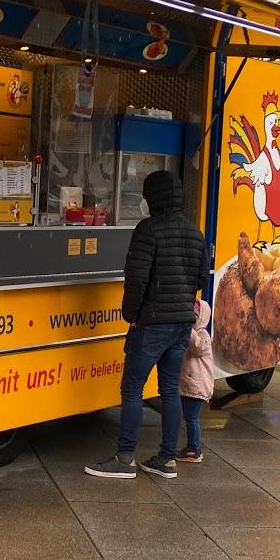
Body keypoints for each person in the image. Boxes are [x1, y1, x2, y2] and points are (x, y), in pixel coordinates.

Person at [85, 169, 208, 480]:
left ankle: (125, 458)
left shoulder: (148, 230)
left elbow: (137, 279)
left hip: (152, 322)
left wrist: (131, 313)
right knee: (169, 389)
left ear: (153, 198)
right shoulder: (195, 233)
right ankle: (166, 458)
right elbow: (200, 278)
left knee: (132, 388)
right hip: (182, 323)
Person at [178, 299, 213, 463]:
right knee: (188, 417)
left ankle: (194, 449)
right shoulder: (192, 334)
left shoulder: (203, 336)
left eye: (194, 317)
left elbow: (197, 348)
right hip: (191, 384)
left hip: (198, 387)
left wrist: (189, 329)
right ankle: (192, 447)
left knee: (192, 418)